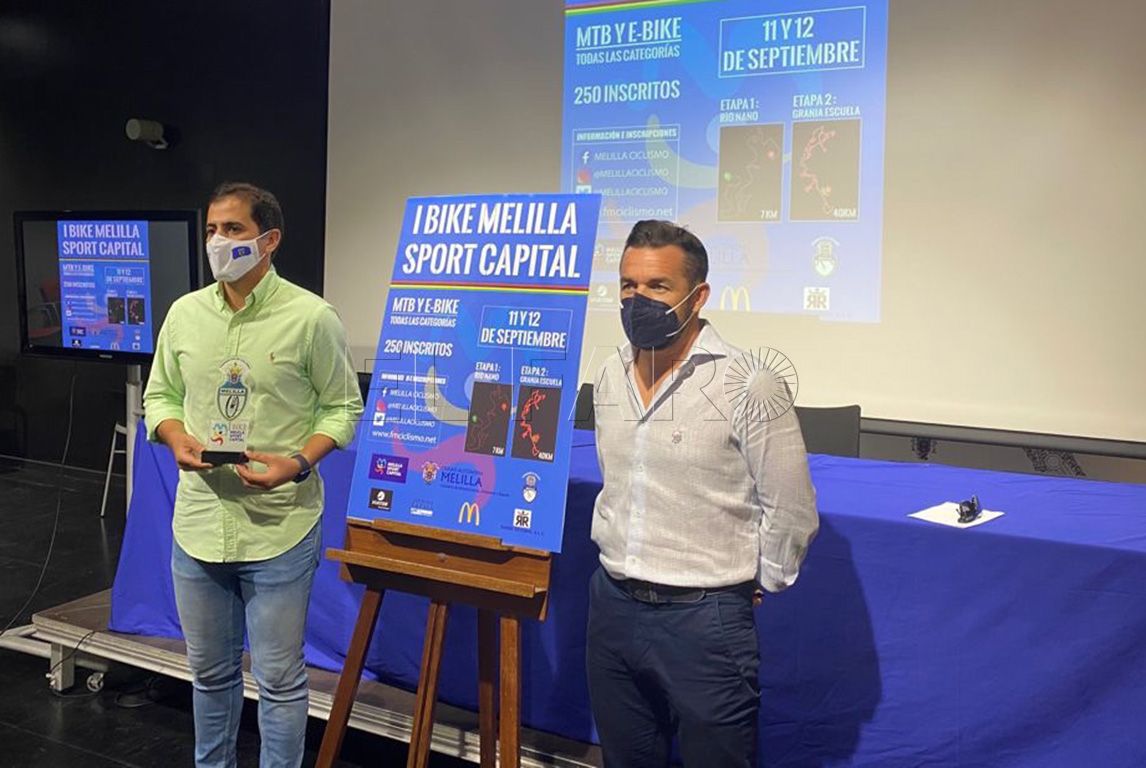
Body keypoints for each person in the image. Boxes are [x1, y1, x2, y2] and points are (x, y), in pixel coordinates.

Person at [143, 182, 363, 768]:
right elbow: (159, 396)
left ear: (270, 240)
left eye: (233, 229)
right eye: (212, 230)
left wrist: (298, 462)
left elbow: (342, 408)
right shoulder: (184, 315)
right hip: (199, 526)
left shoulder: (312, 318)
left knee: (279, 679)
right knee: (209, 675)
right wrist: (174, 436)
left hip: (279, 529)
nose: (218, 241)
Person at [587, 219, 819, 768]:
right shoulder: (610, 373)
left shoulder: (749, 381)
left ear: (698, 296)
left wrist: (752, 582)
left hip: (704, 621)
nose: (638, 299)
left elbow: (790, 507)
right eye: (628, 285)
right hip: (613, 608)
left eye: (657, 286)